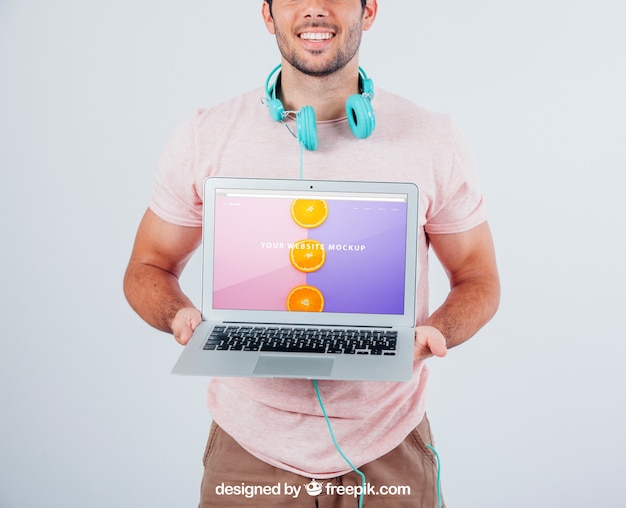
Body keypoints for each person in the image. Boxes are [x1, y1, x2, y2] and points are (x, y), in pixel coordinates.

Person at [123, 0, 500, 506]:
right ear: (268, 14)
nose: (315, 8)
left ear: (369, 11)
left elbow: (478, 274)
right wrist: (179, 317)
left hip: (389, 445)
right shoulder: (204, 136)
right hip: (248, 449)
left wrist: (436, 332)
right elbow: (149, 265)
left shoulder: (432, 137)